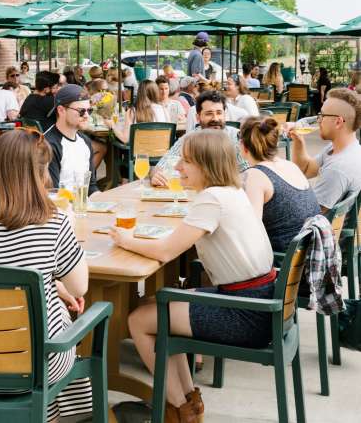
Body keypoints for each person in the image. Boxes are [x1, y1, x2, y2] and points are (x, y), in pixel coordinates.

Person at [109, 130, 274, 421]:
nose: (177, 167)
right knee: (152, 304)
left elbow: (164, 252)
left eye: (186, 161)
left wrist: (124, 239)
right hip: (258, 301)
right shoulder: (231, 192)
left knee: (138, 320)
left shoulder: (211, 198)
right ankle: (188, 404)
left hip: (245, 312)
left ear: (206, 165)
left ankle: (177, 410)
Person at [0, 129, 92, 421]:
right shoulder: (54, 221)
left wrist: (51, 283)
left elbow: (1, 267)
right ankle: (55, 414)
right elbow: (80, 286)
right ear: (39, 174)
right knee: (69, 324)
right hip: (36, 363)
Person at [240, 116, 320, 252]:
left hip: (282, 263)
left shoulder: (255, 175)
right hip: (309, 257)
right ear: (276, 143)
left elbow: (252, 230)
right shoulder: (290, 166)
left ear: (243, 146)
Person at [152, 91, 249, 184]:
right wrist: (156, 176)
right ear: (198, 118)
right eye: (209, 113)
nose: (215, 118)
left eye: (219, 113)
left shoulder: (236, 138)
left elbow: (248, 173)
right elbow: (160, 167)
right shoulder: (189, 139)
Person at [289, 88, 361, 211]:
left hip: (317, 226)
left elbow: (309, 214)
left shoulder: (337, 169)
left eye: (322, 115)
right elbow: (306, 170)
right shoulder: (345, 149)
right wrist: (298, 140)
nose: (319, 120)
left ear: (338, 122)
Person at [44, 84, 99, 195]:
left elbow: (91, 187)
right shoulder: (48, 145)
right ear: (61, 110)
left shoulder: (85, 141)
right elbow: (52, 194)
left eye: (89, 111)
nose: (87, 116)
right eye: (81, 111)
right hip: (61, 209)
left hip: (83, 207)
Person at [106, 79, 166, 144]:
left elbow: (125, 139)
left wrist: (112, 125)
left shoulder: (132, 111)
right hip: (161, 152)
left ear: (139, 93)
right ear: (155, 92)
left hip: (140, 152)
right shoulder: (164, 110)